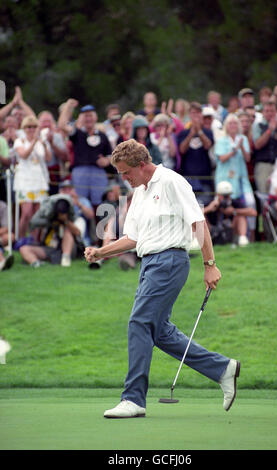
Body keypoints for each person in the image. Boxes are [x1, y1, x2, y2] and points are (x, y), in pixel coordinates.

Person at [84, 138, 240, 419]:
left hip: (169, 261)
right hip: (150, 264)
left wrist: (210, 264)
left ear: (142, 165)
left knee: (139, 322)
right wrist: (101, 252)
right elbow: (132, 238)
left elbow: (198, 222)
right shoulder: (138, 193)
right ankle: (222, 368)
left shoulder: (171, 181)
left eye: (126, 172)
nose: (124, 178)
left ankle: (133, 399)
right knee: (160, 332)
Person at [57, 100, 112, 210]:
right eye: (85, 116)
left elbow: (110, 155)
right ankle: (82, 227)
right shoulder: (77, 133)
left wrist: (106, 161)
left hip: (98, 173)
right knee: (80, 203)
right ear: (81, 118)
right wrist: (68, 106)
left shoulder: (102, 135)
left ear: (95, 118)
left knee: (101, 205)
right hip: (80, 172)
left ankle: (100, 227)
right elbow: (62, 125)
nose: (88, 119)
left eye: (90, 115)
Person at [214, 114, 257, 244]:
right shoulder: (221, 140)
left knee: (250, 202)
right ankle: (224, 236)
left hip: (240, 179)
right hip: (224, 178)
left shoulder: (242, 138)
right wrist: (234, 150)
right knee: (223, 205)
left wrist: (242, 147)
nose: (232, 126)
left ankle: (251, 235)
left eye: (234, 123)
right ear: (226, 126)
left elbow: (248, 158)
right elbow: (221, 158)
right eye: (230, 123)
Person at [13, 115, 51, 238]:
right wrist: (34, 141)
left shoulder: (40, 142)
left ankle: (34, 239)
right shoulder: (20, 141)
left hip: (39, 180)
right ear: (24, 128)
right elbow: (23, 155)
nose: (31, 129)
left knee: (37, 213)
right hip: (24, 181)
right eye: (28, 127)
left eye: (34, 127)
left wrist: (44, 143)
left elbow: (48, 159)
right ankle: (20, 238)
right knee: (27, 212)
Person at [19, 194, 81, 267]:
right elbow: (32, 223)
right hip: (48, 248)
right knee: (23, 249)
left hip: (65, 249)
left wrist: (65, 221)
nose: (61, 215)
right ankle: (36, 263)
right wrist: (52, 222)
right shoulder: (48, 215)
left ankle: (65, 258)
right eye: (60, 214)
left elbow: (78, 232)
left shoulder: (73, 219)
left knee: (68, 232)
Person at [177, 102, 214, 206]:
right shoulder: (183, 133)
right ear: (189, 115)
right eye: (193, 113)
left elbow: (207, 145)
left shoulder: (208, 132)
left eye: (198, 113)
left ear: (201, 115)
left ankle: (202, 224)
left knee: (202, 207)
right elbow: (182, 150)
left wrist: (199, 131)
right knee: (189, 207)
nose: (196, 116)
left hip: (204, 179)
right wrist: (191, 134)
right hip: (188, 178)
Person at [204, 181, 257, 246]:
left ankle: (242, 239)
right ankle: (201, 241)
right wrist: (209, 208)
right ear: (218, 195)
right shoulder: (211, 202)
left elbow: (253, 212)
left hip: (231, 231)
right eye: (224, 196)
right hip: (213, 232)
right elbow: (196, 214)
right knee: (202, 217)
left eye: (228, 195)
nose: (226, 198)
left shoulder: (234, 202)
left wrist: (234, 211)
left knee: (240, 216)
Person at [38, 111, 69, 195]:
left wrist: (52, 144)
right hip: (38, 175)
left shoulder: (57, 136)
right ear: (38, 123)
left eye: (49, 121)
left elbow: (65, 158)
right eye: (44, 121)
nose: (47, 124)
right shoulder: (34, 137)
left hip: (54, 175)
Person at [58, 179, 95, 247]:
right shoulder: (56, 202)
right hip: (60, 233)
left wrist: (78, 204)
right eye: (64, 190)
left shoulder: (82, 200)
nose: (67, 192)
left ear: (74, 190)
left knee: (80, 220)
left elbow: (91, 215)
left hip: (80, 237)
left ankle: (79, 244)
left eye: (69, 189)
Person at [0, 200, 14, 271]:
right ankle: (2, 261)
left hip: (0, 235)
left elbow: (7, 227)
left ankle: (2, 262)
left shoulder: (2, 206)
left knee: (10, 236)